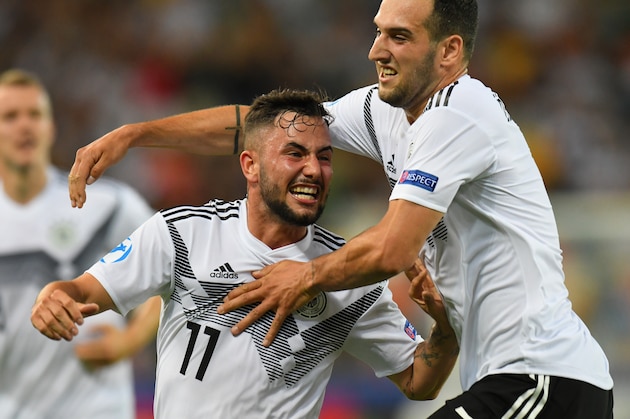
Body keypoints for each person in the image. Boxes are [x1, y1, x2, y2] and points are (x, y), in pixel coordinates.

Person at [64, 0, 615, 417]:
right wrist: (138, 133)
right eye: (378, 33)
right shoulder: (386, 112)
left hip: (543, 377)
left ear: (448, 52)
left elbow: (392, 247)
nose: (377, 50)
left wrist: (304, 278)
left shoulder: (460, 111)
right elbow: (264, 127)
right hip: (500, 379)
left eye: (399, 36)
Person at [32, 88, 459, 419]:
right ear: (250, 165)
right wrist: (53, 297)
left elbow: (419, 381)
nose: (313, 168)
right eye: (295, 153)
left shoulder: (348, 274)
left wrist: (444, 324)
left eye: (324, 157)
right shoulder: (181, 234)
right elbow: (79, 291)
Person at [0, 68, 161, 419]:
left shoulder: (108, 206)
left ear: (50, 127)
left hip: (98, 408)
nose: (24, 125)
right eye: (10, 117)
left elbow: (168, 276)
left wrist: (128, 343)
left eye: (35, 115)